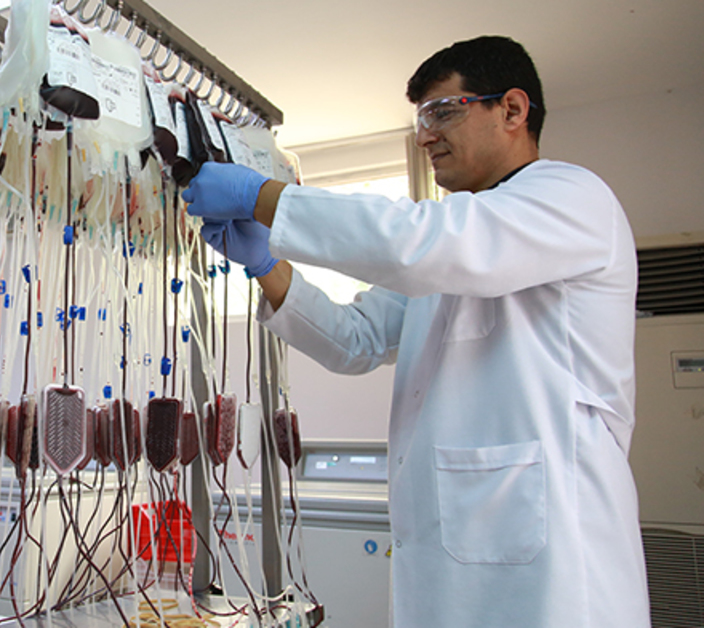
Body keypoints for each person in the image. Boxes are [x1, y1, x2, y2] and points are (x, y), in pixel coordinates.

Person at [182, 36, 649, 628]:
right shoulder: (457, 244)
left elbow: (420, 242)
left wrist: (263, 197)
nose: (426, 136)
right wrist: (266, 265)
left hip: (558, 579)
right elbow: (355, 339)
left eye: (442, 113)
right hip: (460, 565)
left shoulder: (571, 197)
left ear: (512, 109)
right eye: (420, 120)